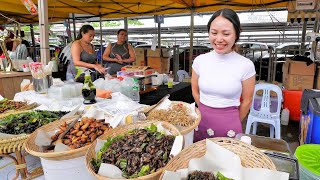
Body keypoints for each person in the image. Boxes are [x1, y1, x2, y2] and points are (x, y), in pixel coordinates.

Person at [192, 8, 256, 142]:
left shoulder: (245, 65)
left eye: (226, 34)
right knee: (200, 159)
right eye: (214, 33)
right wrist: (204, 110)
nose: (219, 39)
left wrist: (232, 121)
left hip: (229, 126)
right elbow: (195, 90)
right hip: (201, 122)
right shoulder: (200, 61)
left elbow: (247, 100)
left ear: (236, 35)